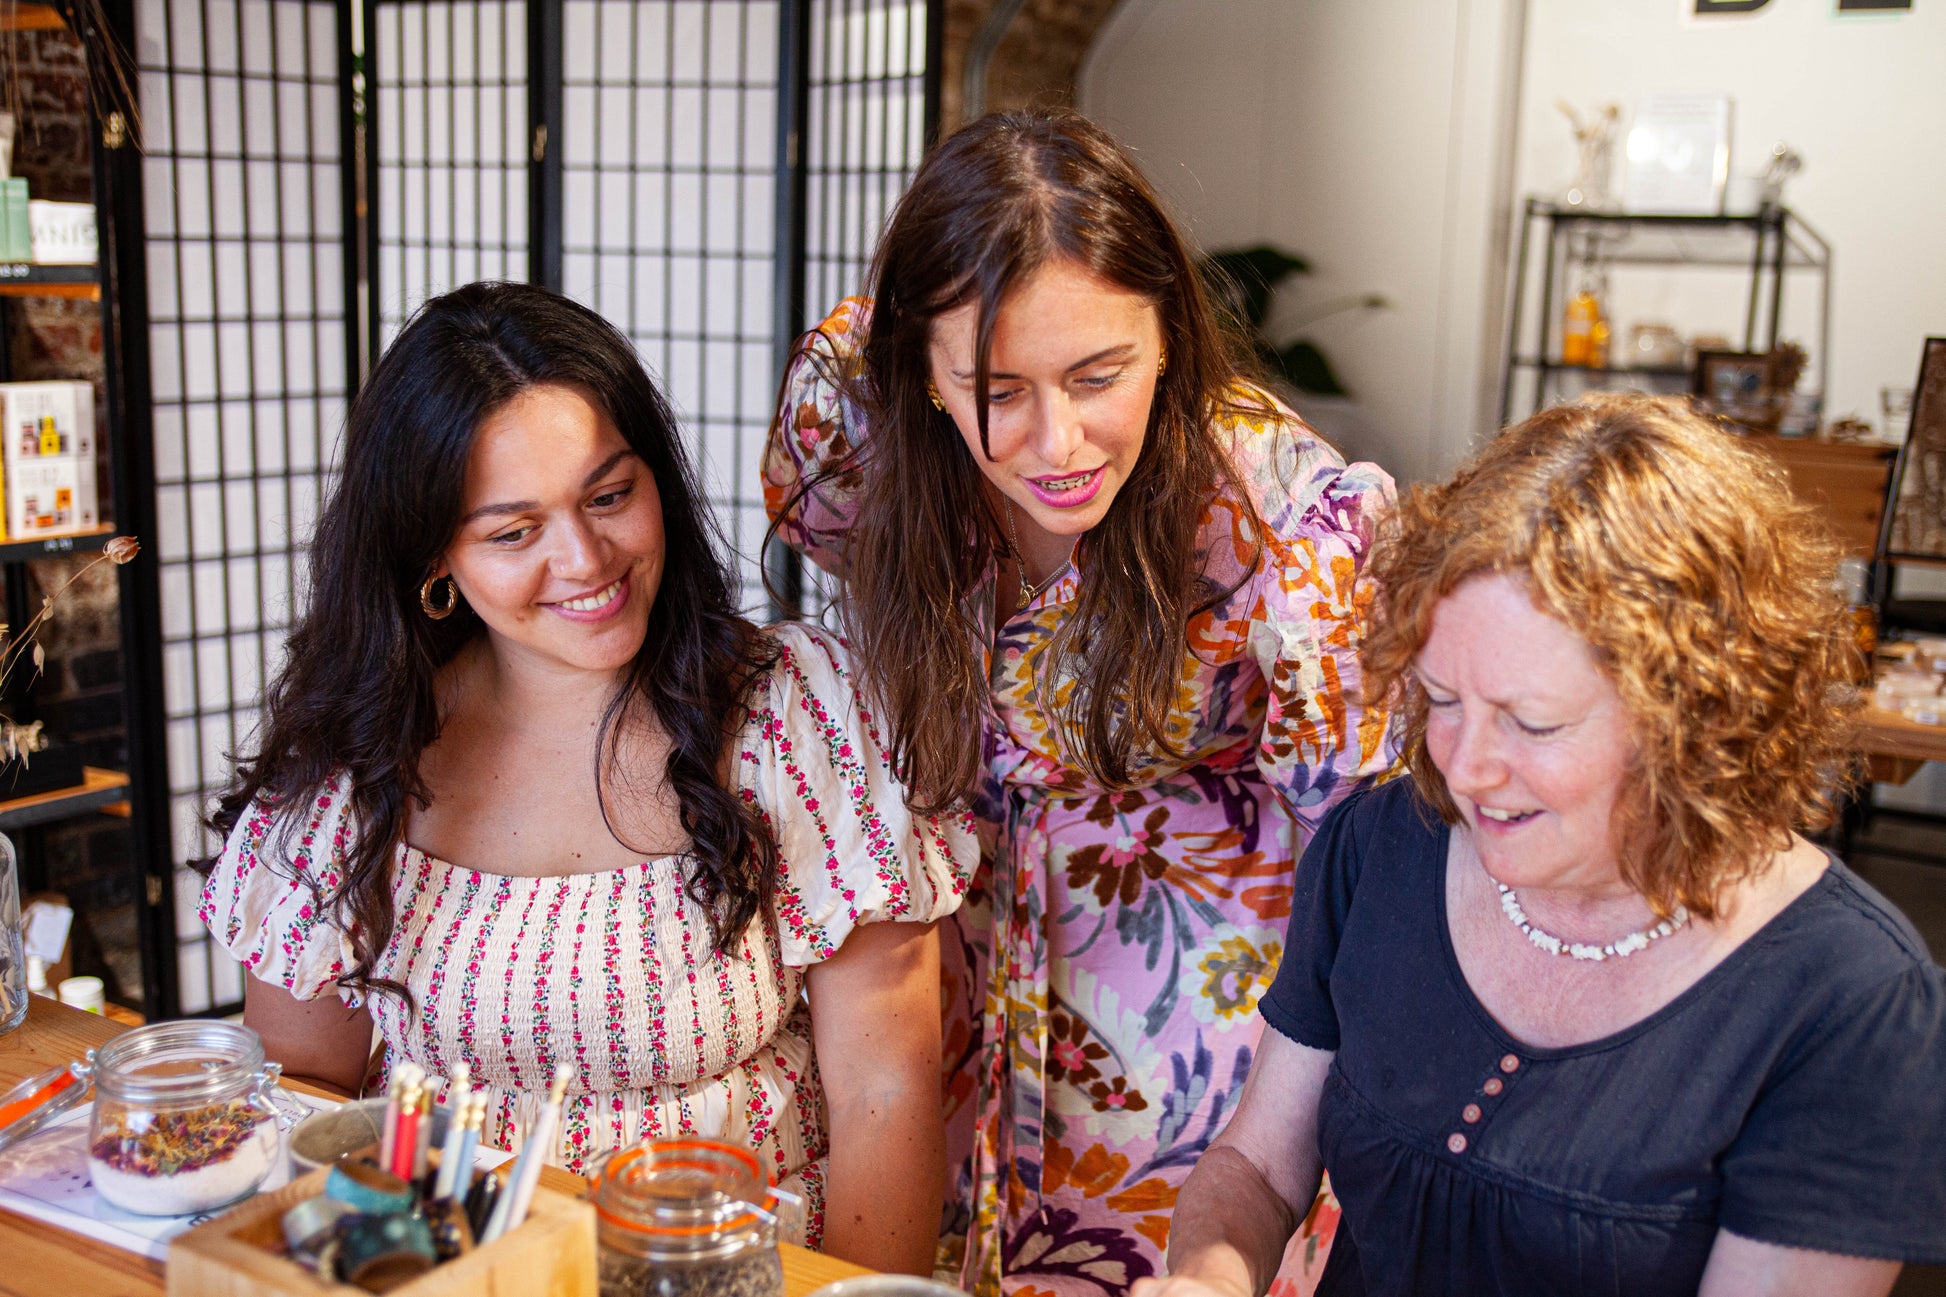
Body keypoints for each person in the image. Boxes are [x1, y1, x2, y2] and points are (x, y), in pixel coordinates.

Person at [198, 281, 975, 1273]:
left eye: (609, 495)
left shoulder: (793, 709)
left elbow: (884, 1092)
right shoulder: (360, 756)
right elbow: (307, 1110)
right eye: (514, 532)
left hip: (732, 1272)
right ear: (433, 552)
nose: (586, 561)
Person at [764, 111, 1396, 1296]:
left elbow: (1359, 866)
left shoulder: (1279, 520)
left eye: (1099, 376)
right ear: (920, 370)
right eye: (996, 388)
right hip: (918, 1027)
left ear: (1168, 335)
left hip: (1189, 1066)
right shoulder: (857, 430)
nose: (1057, 442)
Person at [1146, 393, 1946, 1297]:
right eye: (1442, 700)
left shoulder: (1849, 1004)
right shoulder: (1381, 848)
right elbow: (1258, 1163)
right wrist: (1211, 1278)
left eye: (1531, 722)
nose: (1466, 766)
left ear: (1695, 718)